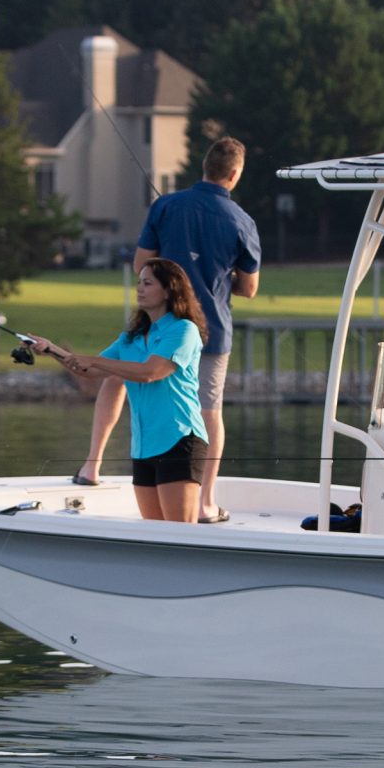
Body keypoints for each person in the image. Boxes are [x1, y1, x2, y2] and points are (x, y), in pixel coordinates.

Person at [74, 137, 261, 523]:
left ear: (204, 166)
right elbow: (249, 288)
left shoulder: (165, 205)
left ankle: (92, 466)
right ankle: (206, 501)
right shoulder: (243, 221)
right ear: (234, 174)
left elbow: (141, 264)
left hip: (156, 323)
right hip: (214, 328)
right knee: (208, 407)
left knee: (115, 377)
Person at [28, 258, 209, 523]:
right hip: (143, 448)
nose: (140, 289)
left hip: (179, 440)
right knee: (154, 534)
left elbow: (150, 372)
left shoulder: (183, 330)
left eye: (148, 283)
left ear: (169, 290)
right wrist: (51, 349)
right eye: (139, 283)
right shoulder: (131, 338)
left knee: (179, 534)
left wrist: (96, 360)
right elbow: (87, 370)